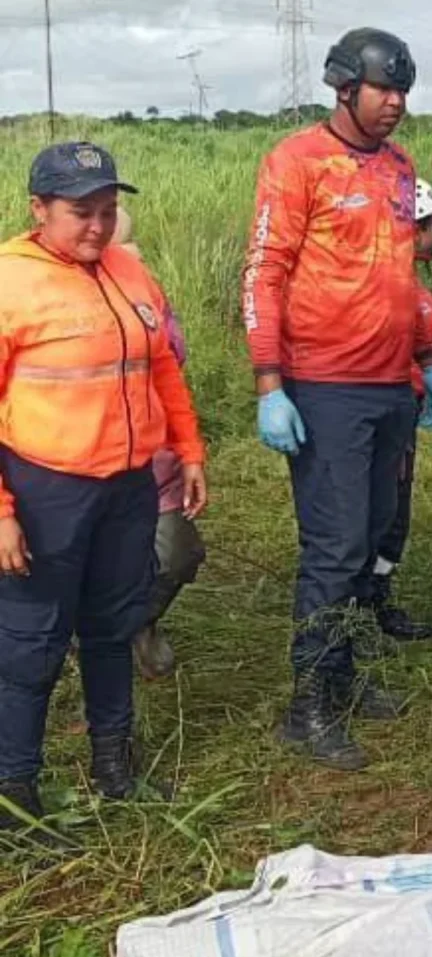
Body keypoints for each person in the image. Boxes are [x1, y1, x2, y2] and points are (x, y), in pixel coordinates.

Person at [242, 28, 432, 772]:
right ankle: (308, 708)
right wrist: (270, 384)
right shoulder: (296, 161)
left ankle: (345, 676)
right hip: (326, 386)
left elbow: (401, 275)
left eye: (403, 91)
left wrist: (425, 361)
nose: (395, 103)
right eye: (383, 89)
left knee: (369, 539)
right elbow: (264, 272)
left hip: (391, 383)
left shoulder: (399, 165)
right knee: (332, 550)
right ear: (344, 87)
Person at [0, 142, 207, 838]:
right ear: (39, 209)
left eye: (108, 210)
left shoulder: (128, 270)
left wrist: (189, 449)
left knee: (114, 627)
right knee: (31, 643)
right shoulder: (9, 280)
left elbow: (162, 369)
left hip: (126, 487)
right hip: (44, 489)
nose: (97, 225)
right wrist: (2, 512)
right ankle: (15, 795)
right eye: (80, 211)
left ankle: (116, 770)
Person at [110, 207, 206, 680]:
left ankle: (137, 623)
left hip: (156, 454)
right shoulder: (36, 287)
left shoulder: (146, 288)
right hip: (81, 463)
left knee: (179, 553)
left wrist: (190, 451)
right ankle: (99, 639)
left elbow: (170, 365)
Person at [370, 178, 432, 642]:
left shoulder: (405, 280)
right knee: (384, 512)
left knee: (394, 511)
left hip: (406, 401)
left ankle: (376, 599)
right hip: (386, 407)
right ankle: (362, 609)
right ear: (416, 229)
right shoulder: (383, 284)